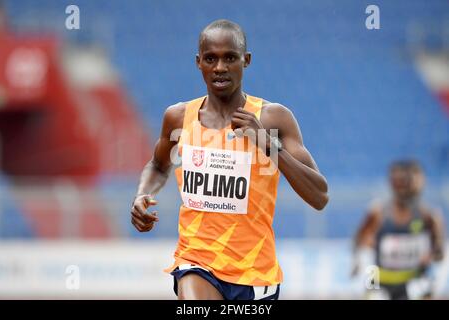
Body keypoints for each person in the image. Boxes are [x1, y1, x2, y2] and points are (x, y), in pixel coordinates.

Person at [130, 19, 329, 300]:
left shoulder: (273, 118)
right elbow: (158, 165)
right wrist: (142, 194)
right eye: (211, 58)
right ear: (198, 62)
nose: (220, 68)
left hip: (255, 273)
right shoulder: (178, 117)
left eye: (230, 58)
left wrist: (268, 145)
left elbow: (319, 196)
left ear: (246, 61)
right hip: (196, 261)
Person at [351, 160, 445, 300]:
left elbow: (439, 255)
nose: (403, 188)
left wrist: (431, 257)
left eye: (407, 182)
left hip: (413, 280)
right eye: (398, 182)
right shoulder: (378, 213)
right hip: (381, 279)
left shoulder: (429, 217)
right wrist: (362, 266)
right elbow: (360, 243)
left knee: (422, 288)